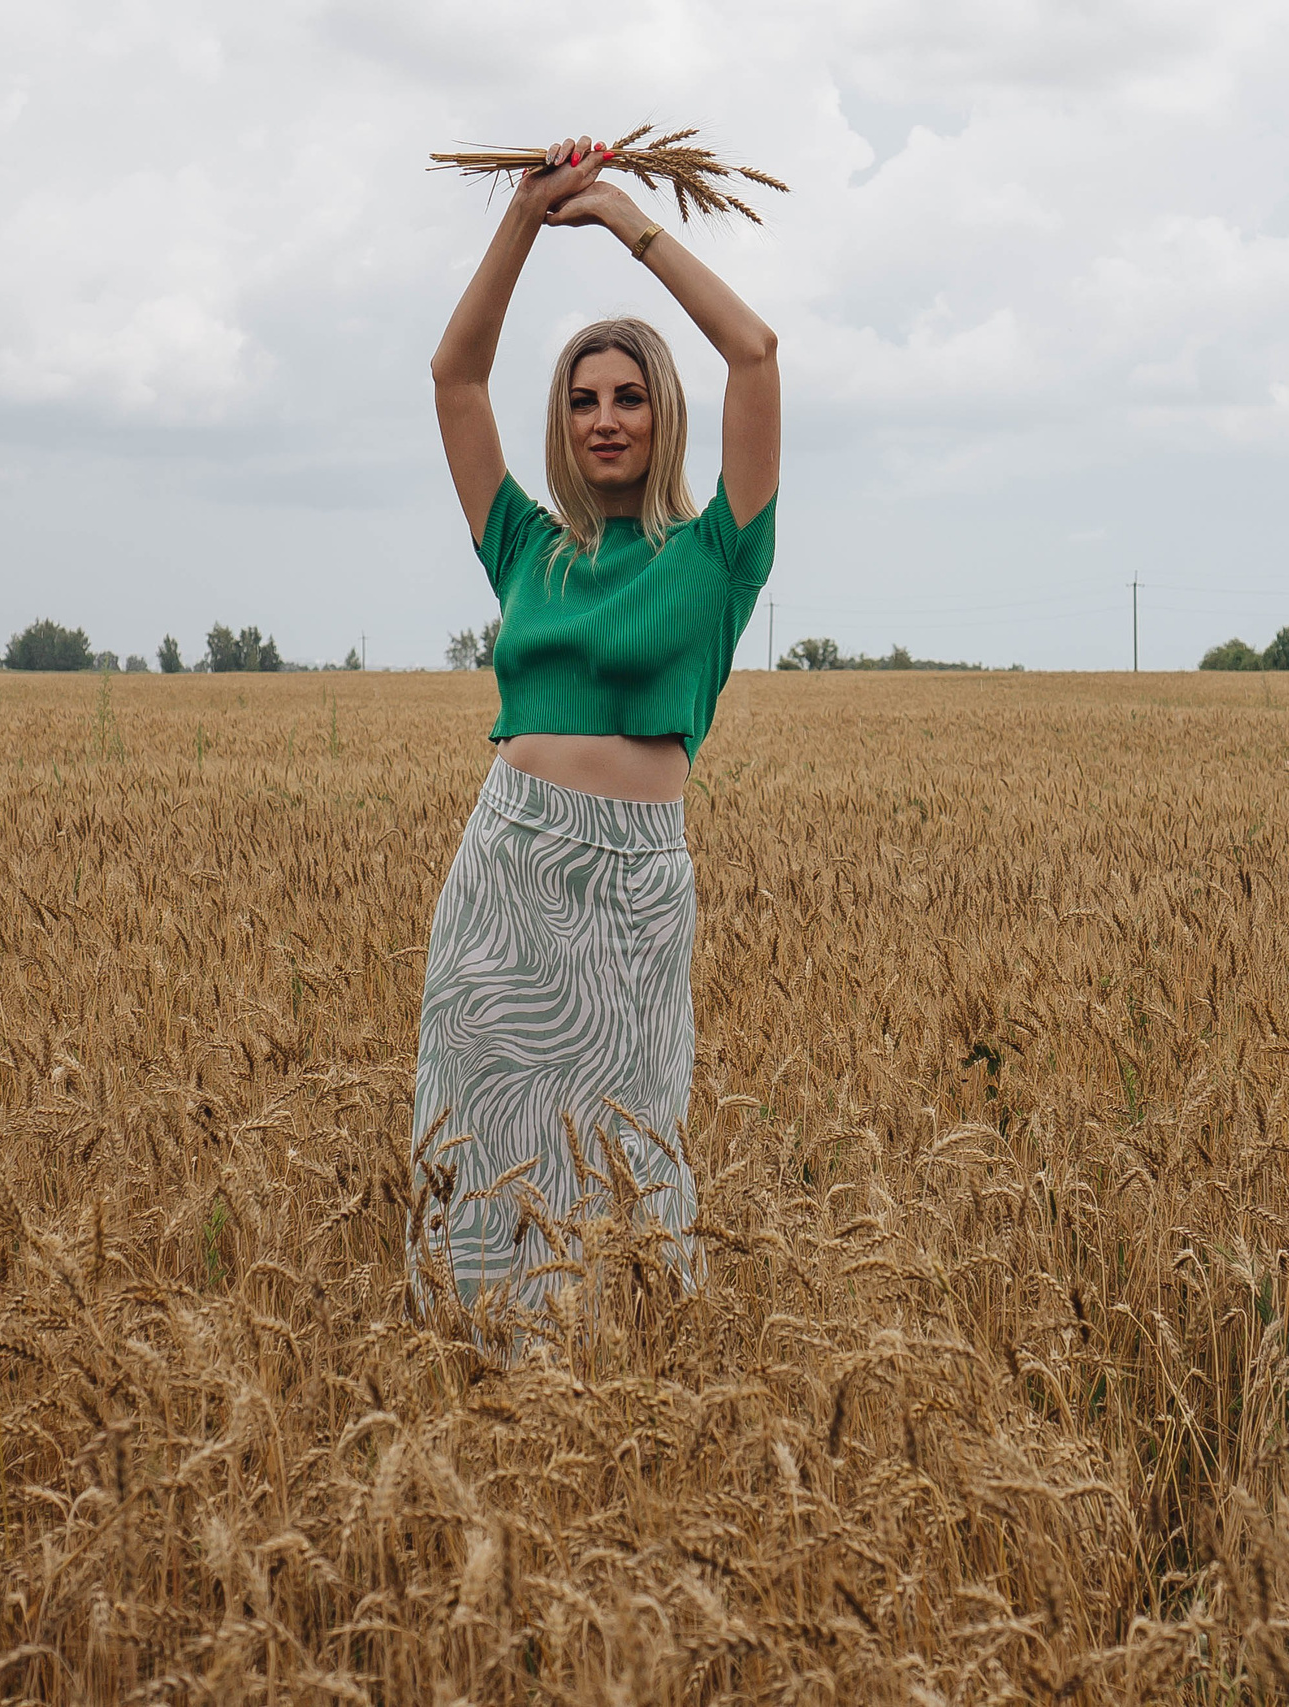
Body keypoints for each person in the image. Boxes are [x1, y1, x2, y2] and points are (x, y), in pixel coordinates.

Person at [414, 134, 780, 1311]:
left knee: (627, 1155)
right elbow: (454, 379)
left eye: (627, 397)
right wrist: (524, 221)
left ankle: (627, 1399)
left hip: (632, 889)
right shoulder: (526, 546)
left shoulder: (718, 553)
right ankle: (470, 1381)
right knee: (483, 1155)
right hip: (504, 872)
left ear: (661, 409)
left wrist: (623, 217)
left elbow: (756, 351)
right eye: (581, 401)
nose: (603, 419)